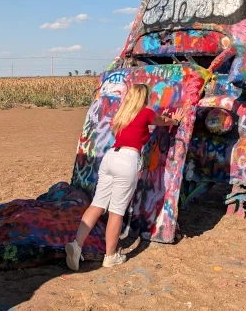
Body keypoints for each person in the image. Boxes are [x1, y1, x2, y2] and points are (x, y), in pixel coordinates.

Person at [65, 84, 185, 270]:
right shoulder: (145, 112)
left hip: (110, 157)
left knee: (97, 205)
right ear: (144, 98)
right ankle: (110, 255)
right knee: (116, 212)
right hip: (127, 160)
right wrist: (175, 120)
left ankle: (76, 244)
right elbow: (162, 121)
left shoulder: (122, 115)